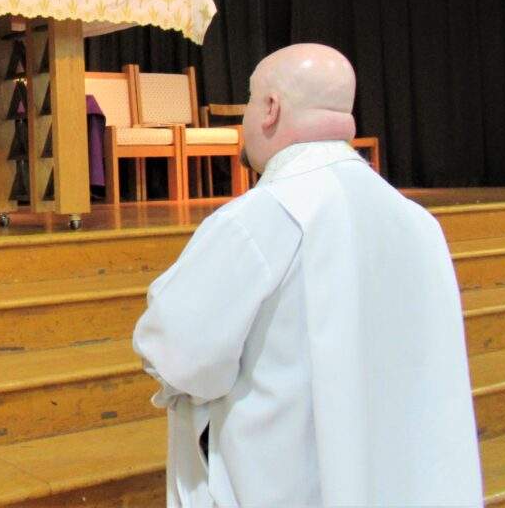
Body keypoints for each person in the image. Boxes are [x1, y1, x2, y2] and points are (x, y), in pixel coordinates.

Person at [132, 43, 482, 507]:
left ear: (271, 109)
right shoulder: (418, 223)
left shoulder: (259, 219)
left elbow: (175, 354)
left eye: (251, 102)